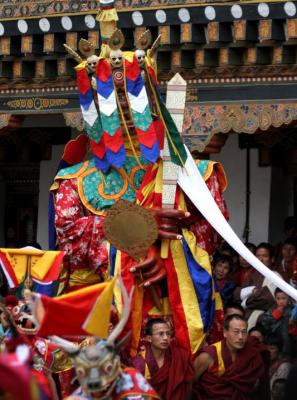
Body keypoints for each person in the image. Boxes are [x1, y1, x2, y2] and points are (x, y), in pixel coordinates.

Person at [193, 314, 270, 399]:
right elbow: (190, 383)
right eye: (236, 332)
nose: (241, 337)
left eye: (244, 332)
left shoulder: (251, 351)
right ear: (225, 333)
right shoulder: (208, 356)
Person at [130, 318, 194, 400]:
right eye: (161, 334)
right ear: (149, 338)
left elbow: (188, 387)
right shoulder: (139, 363)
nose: (165, 338)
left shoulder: (179, 357)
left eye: (168, 334)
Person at [233, 242, 280, 329]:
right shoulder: (252, 274)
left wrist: (245, 301)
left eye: (265, 256)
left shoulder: (275, 276)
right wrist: (252, 292)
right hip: (246, 315)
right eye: (258, 256)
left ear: (272, 259)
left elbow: (265, 299)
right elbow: (236, 294)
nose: (260, 259)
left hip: (262, 321)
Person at [258, 288, 295, 355]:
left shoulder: (292, 310)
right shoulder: (273, 309)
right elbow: (264, 321)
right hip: (273, 338)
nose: (281, 301)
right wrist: (275, 315)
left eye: (283, 298)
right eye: (278, 298)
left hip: (286, 339)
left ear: (289, 298)